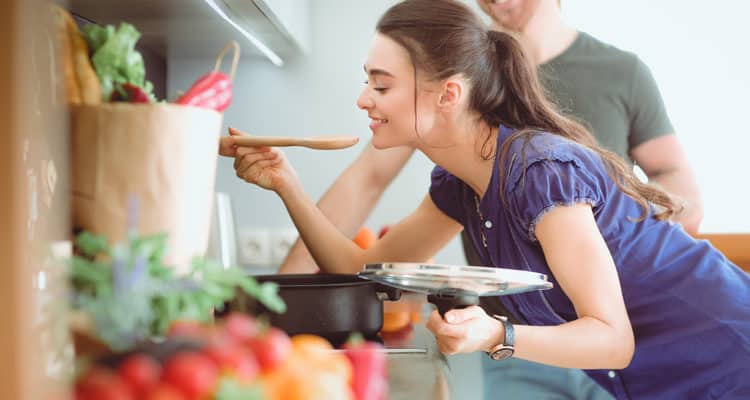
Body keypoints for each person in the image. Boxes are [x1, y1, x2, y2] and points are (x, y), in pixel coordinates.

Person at [223, 1, 750, 398]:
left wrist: (495, 333)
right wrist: (286, 183)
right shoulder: (461, 186)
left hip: (726, 354)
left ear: (448, 95)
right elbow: (362, 269)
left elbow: (612, 339)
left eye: (380, 87)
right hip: (656, 377)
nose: (364, 99)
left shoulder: (541, 172)